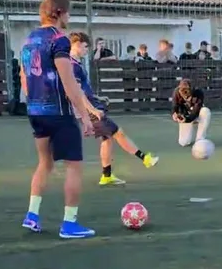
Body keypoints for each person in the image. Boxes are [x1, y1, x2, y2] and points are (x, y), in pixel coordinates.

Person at [20, 0, 101, 239]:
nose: (69, 17)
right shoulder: (59, 40)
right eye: (68, 12)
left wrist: (34, 100)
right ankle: (69, 223)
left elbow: (24, 78)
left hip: (35, 111)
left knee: (44, 163)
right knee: (74, 166)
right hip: (59, 112)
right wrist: (85, 116)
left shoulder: (29, 40)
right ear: (59, 13)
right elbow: (68, 81)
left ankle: (32, 215)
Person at [67, 32, 158, 186]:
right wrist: (92, 110)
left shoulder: (77, 63)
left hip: (91, 104)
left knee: (107, 138)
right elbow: (77, 92)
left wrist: (98, 97)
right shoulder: (72, 65)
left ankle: (107, 175)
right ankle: (145, 159)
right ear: (76, 44)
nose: (87, 50)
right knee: (118, 132)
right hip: (88, 109)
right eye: (85, 46)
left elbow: (83, 89)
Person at [172, 78, 210, 147]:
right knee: (183, 142)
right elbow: (175, 107)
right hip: (185, 116)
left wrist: (187, 119)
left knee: (205, 111)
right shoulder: (176, 92)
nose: (185, 94)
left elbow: (196, 111)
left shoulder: (198, 93)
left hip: (197, 115)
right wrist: (175, 114)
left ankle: (200, 139)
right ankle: (189, 130)